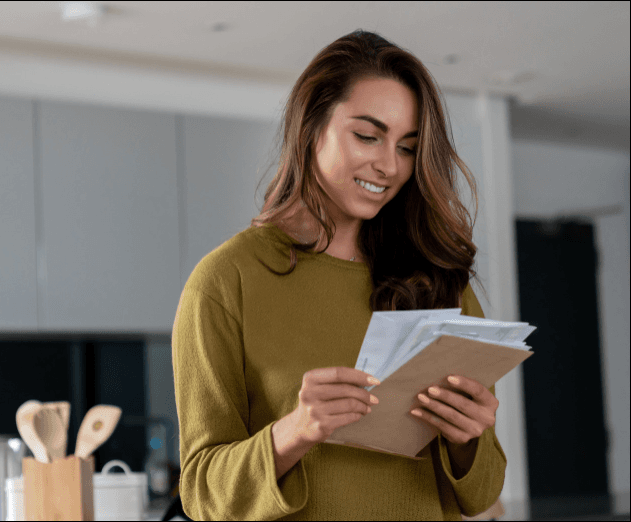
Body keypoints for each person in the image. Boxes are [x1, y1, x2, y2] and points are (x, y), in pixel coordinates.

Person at [171, 29, 506, 520]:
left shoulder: (440, 280)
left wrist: (469, 438)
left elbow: (483, 494)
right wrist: (297, 430)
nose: (389, 165)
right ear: (311, 127)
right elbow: (201, 495)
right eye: (367, 135)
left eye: (408, 147)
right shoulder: (226, 281)